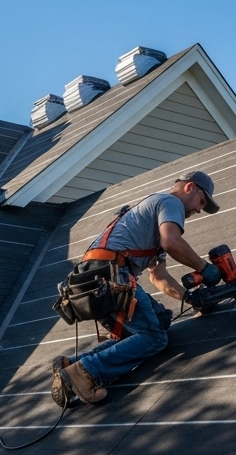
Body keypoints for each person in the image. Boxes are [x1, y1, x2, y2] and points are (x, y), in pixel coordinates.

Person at [53, 171, 221, 407]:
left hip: (90, 280)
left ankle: (71, 365)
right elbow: (172, 242)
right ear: (190, 187)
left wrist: (191, 298)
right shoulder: (170, 202)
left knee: (153, 325)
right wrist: (204, 267)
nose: (200, 210)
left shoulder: (150, 217)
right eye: (202, 202)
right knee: (154, 338)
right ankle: (87, 373)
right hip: (111, 275)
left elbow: (159, 276)